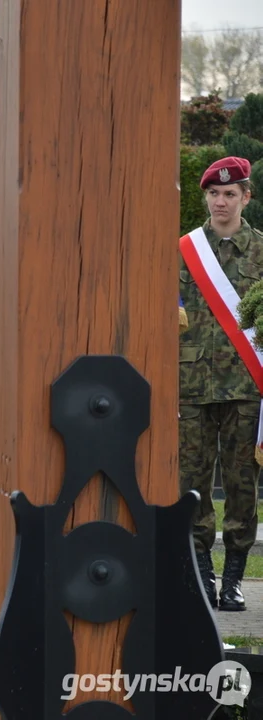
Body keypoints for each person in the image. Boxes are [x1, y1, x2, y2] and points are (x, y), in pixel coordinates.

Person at [179, 156, 263, 612]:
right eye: (214, 193)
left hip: (246, 388)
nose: (221, 201)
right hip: (190, 386)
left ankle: (233, 579)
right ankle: (201, 575)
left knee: (241, 484)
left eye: (231, 193)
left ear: (246, 197)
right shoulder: (184, 251)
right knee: (190, 484)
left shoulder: (262, 252)